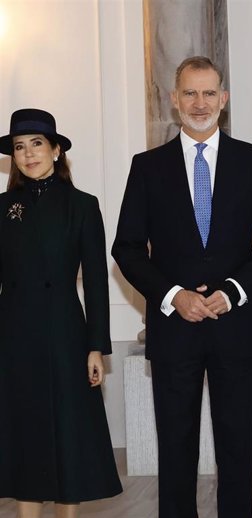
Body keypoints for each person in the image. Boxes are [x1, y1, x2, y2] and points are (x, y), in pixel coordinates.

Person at [111, 56, 252, 518]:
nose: (199, 102)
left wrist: (231, 291)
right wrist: (173, 296)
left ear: (223, 99)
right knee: (176, 451)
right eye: (189, 93)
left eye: (209, 93)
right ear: (174, 100)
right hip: (174, 332)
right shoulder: (147, 167)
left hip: (235, 328)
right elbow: (126, 248)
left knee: (237, 451)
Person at [0, 109, 122, 517]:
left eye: (37, 144)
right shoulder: (3, 208)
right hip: (13, 337)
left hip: (66, 336)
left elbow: (99, 285)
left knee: (68, 438)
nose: (28, 154)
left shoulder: (83, 206)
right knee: (24, 437)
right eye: (19, 147)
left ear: (56, 150)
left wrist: (96, 347)